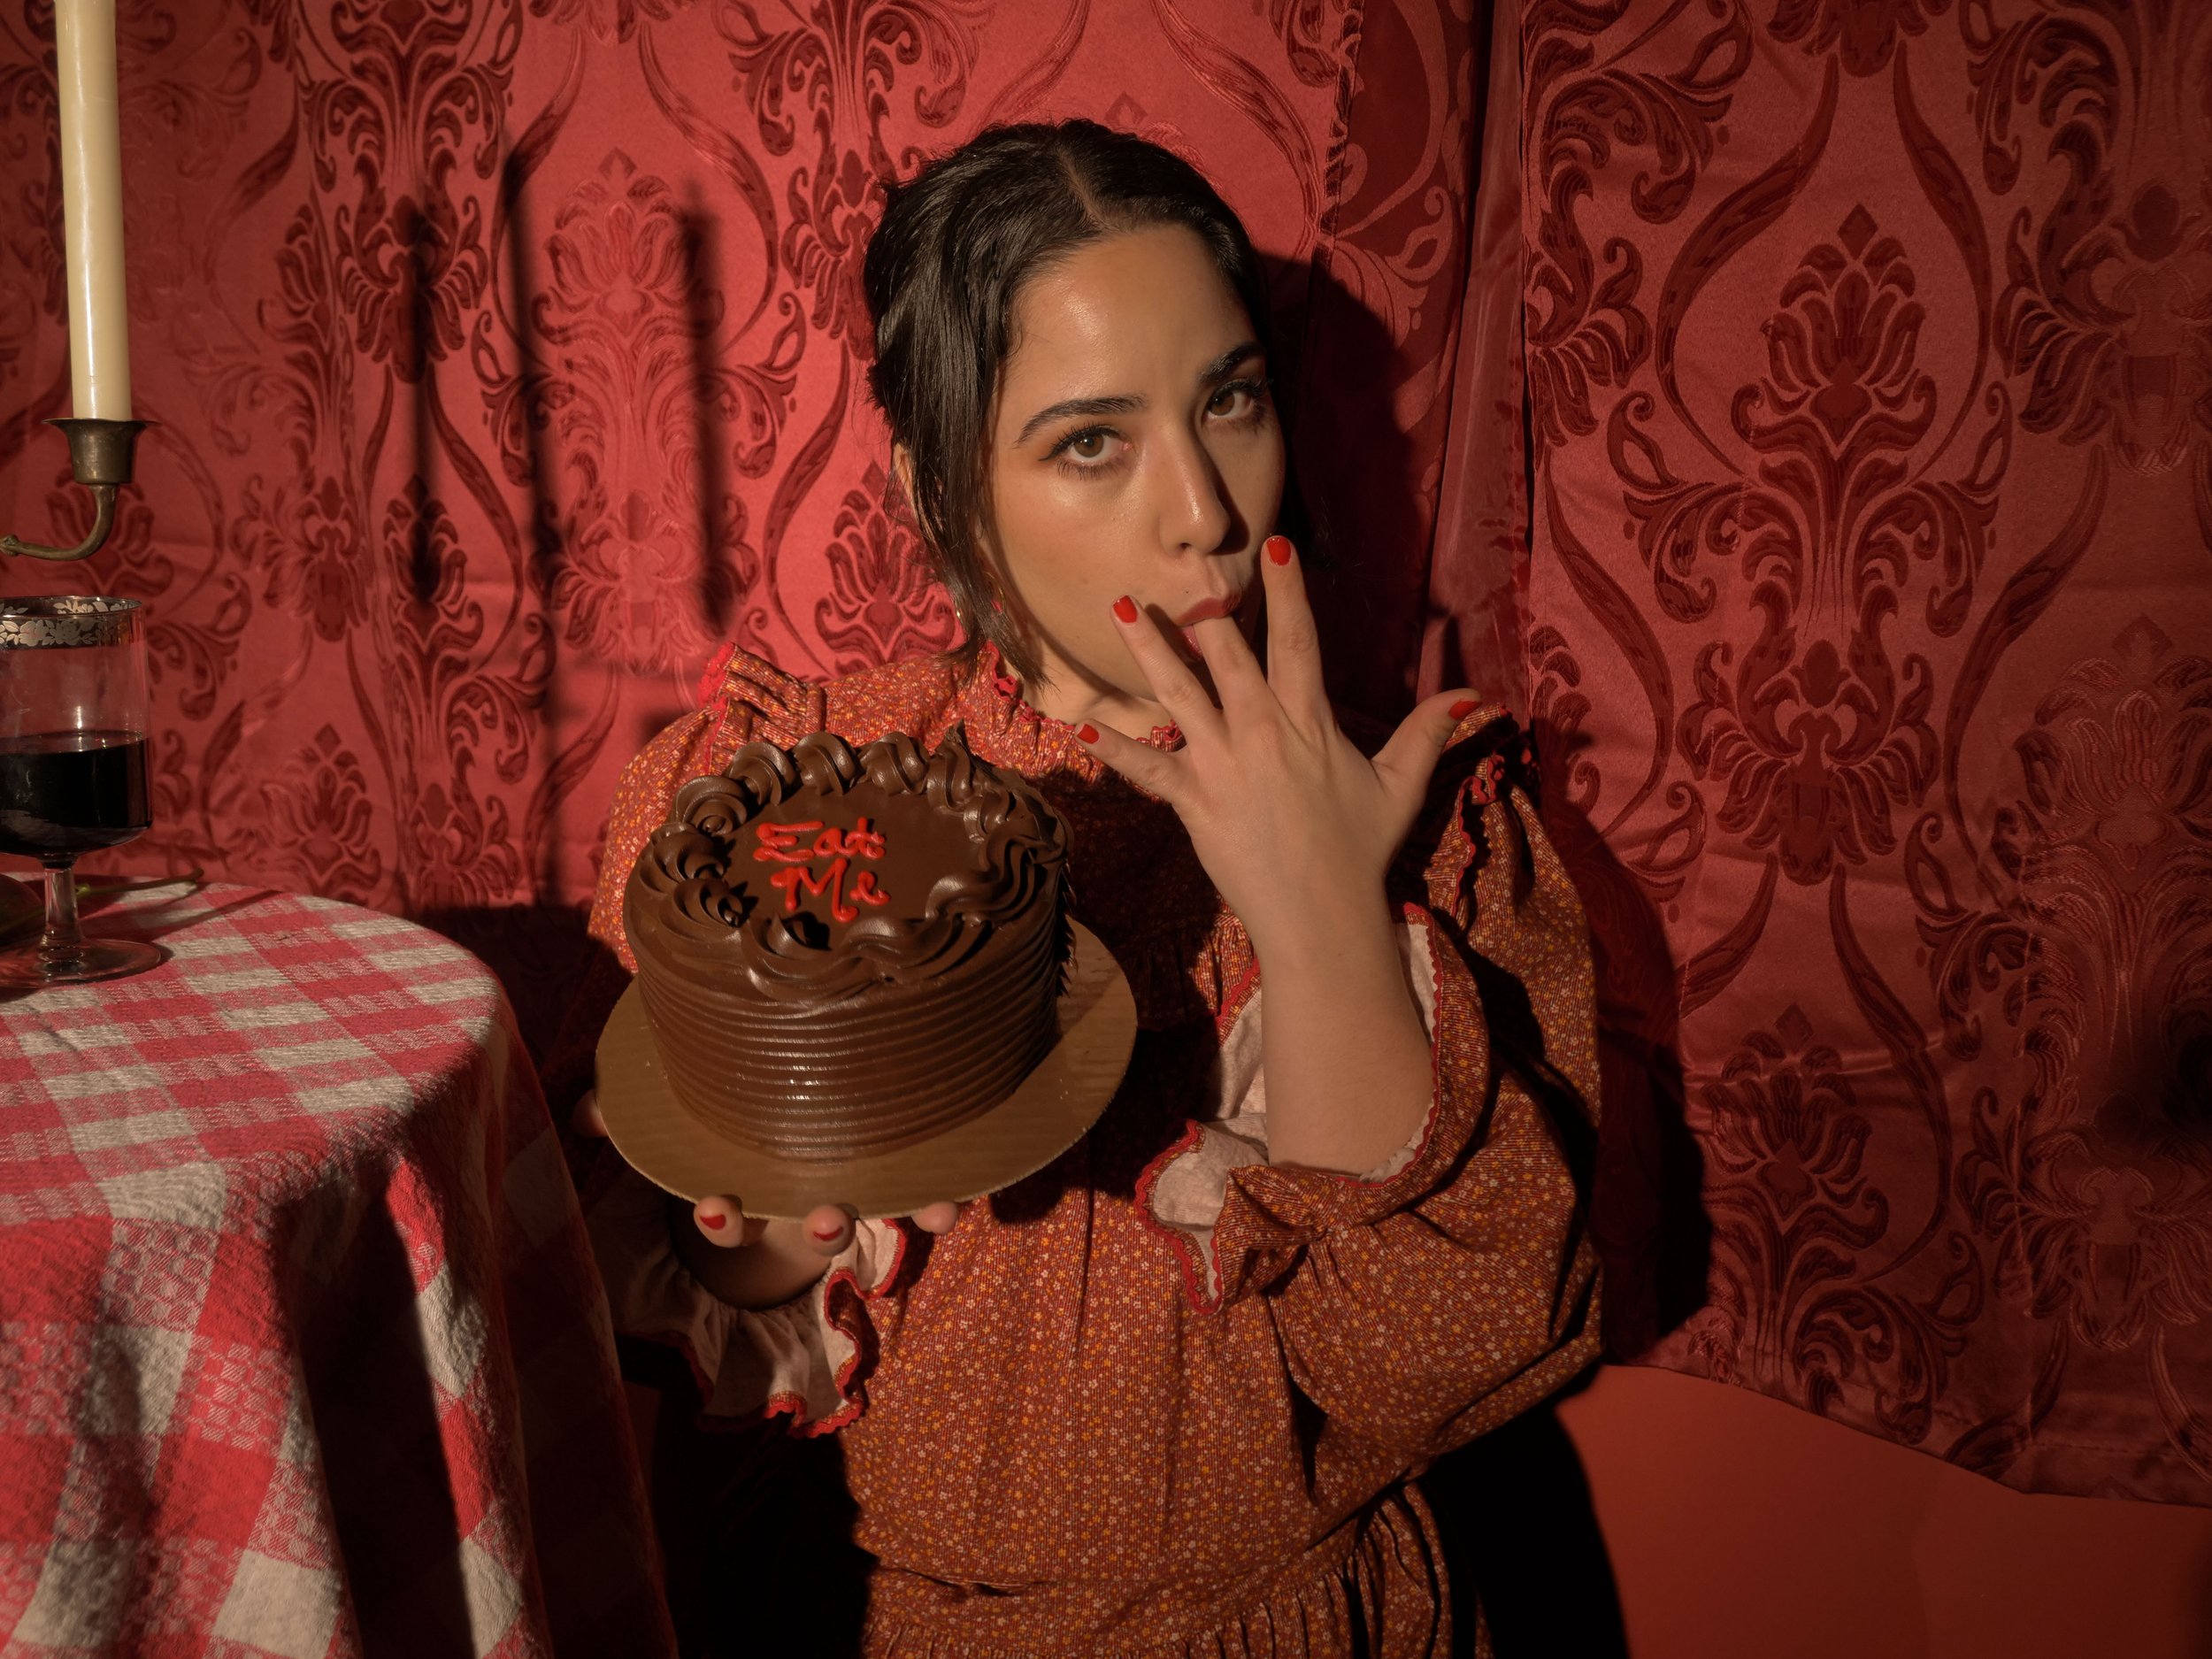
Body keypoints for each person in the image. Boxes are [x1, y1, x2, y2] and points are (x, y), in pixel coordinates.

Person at [570, 119, 1600, 1656]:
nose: (1206, 512)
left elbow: (1422, 1367)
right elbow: (740, 1284)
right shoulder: (811, 796)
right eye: (1091, 442)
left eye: (1230, 400)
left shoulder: (1426, 822)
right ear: (938, 494)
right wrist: (777, 1213)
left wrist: (1319, 911)